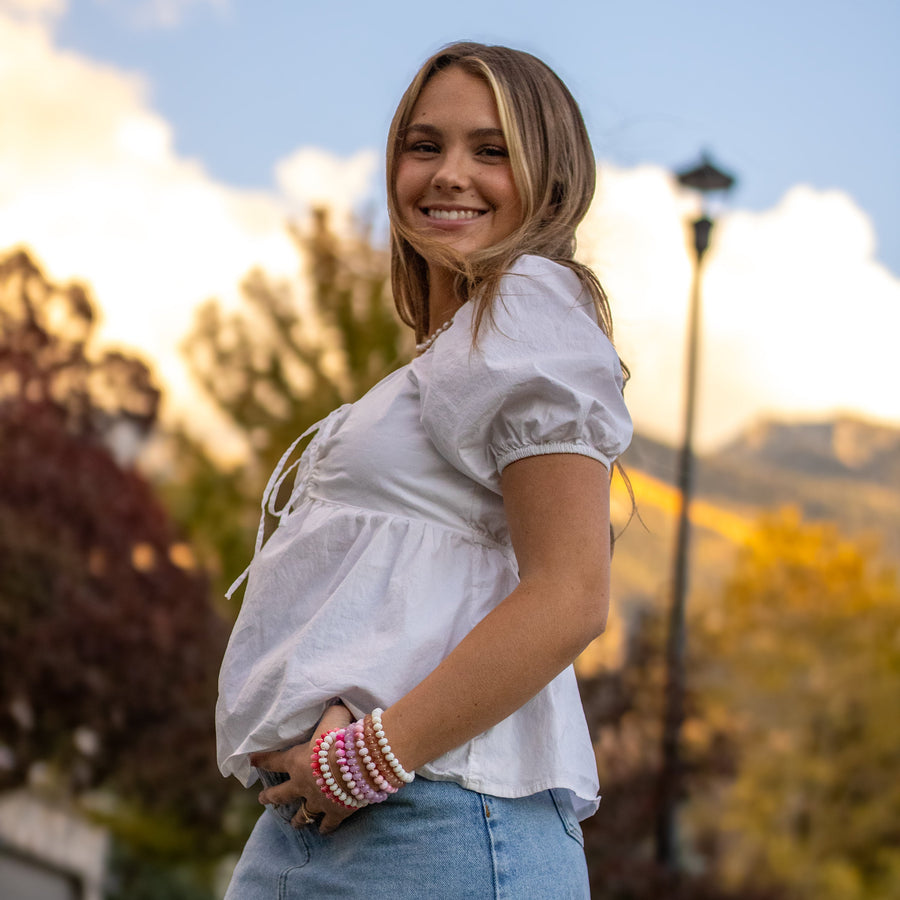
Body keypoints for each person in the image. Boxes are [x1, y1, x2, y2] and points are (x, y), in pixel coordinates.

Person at [217, 41, 632, 899]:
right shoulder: (449, 353)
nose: (448, 174)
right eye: (423, 145)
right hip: (325, 825)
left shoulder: (526, 308)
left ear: (550, 183)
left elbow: (570, 595)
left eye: (491, 151)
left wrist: (368, 753)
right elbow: (432, 582)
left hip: (440, 827)